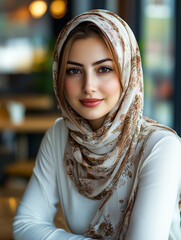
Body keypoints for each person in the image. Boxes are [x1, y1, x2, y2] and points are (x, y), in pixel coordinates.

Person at [13, 9, 181, 240]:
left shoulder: (161, 147)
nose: (88, 86)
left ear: (127, 73)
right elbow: (25, 225)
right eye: (74, 71)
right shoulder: (60, 134)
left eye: (104, 69)